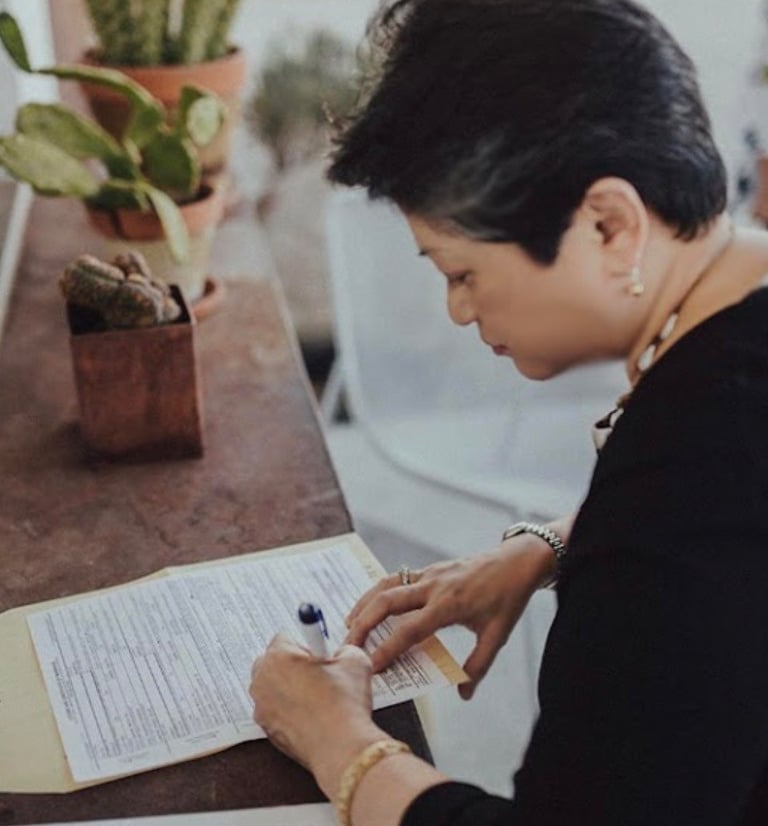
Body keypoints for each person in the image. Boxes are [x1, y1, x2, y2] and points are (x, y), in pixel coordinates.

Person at [249, 1, 768, 823]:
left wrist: (337, 739)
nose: (457, 311)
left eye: (462, 273)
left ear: (608, 225)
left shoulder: (691, 478)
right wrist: (559, 542)